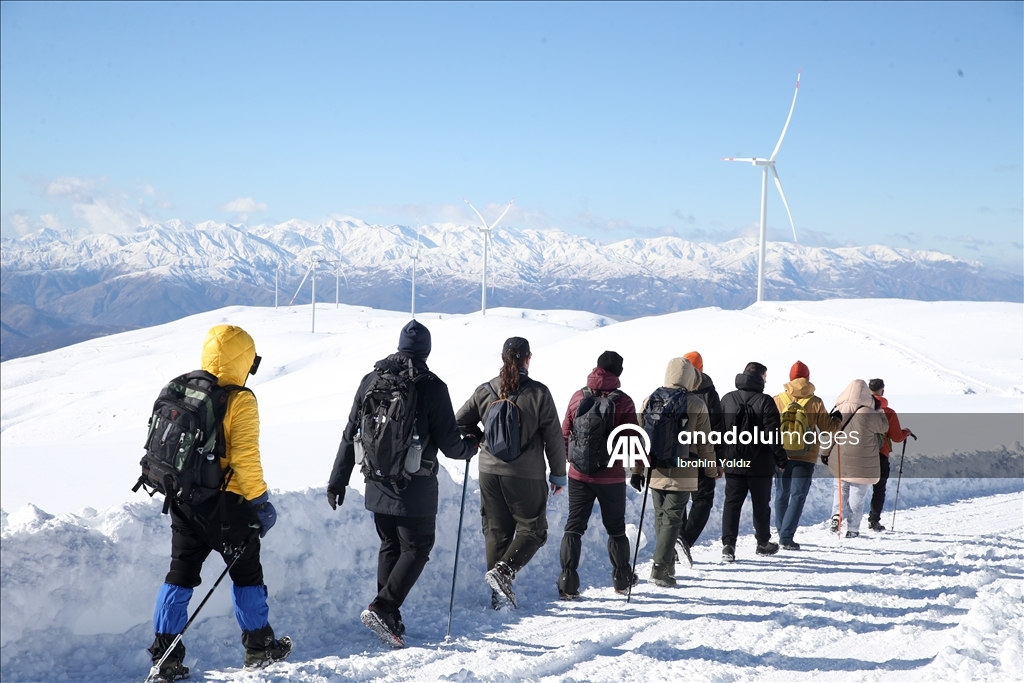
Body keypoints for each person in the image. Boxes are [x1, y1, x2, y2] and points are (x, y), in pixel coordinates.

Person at [148, 325, 290, 682]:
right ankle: (259, 649)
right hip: (229, 507)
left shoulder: (181, 387)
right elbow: (245, 458)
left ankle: (165, 655)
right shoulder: (239, 399)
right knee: (247, 576)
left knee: (180, 574)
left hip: (183, 499)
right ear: (244, 360)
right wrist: (260, 502)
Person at [327, 320, 478, 647]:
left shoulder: (371, 380)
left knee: (391, 545)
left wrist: (337, 480)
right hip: (415, 487)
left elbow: (351, 431)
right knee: (417, 547)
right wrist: (471, 445)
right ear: (426, 351)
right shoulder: (432, 387)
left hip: (377, 481)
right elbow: (452, 446)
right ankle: (383, 607)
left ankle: (388, 615)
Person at [456, 336, 566, 609]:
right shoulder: (538, 393)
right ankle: (504, 572)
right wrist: (558, 474)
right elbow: (553, 436)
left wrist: (479, 438)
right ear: (528, 359)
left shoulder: (485, 390)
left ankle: (498, 597)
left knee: (497, 531)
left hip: (489, 471)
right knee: (534, 530)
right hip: (525, 474)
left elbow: (458, 422)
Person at [556, 351, 640, 599]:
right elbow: (631, 441)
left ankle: (567, 583)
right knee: (615, 528)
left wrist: (571, 462)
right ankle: (622, 581)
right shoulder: (624, 402)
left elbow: (564, 434)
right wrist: (640, 465)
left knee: (574, 526)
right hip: (611, 477)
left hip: (578, 475)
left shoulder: (578, 396)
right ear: (618, 372)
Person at [631, 357, 719, 586]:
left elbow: (639, 439)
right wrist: (711, 471)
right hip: (683, 468)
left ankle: (668, 565)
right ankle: (659, 569)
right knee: (672, 518)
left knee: (661, 517)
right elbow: (705, 443)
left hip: (655, 468)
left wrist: (637, 471)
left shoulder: (650, 399)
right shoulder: (696, 404)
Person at [719, 362, 788, 562]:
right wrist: (781, 458)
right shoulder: (765, 401)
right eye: (765, 376)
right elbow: (772, 434)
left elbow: (719, 431)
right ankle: (763, 543)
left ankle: (728, 546)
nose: (766, 380)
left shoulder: (727, 399)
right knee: (761, 504)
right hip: (760, 464)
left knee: (732, 504)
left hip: (733, 462)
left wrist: (719, 458)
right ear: (759, 377)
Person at [772, 361, 842, 550]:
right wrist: (837, 419)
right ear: (808, 378)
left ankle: (782, 532)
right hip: (806, 455)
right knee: (798, 495)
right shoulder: (815, 401)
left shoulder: (777, 399)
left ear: (790, 378)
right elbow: (828, 429)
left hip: (781, 454)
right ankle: (786, 537)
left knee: (781, 494)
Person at [821, 379, 890, 538]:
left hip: (841, 457)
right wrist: (879, 410)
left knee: (840, 489)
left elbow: (830, 434)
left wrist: (825, 453)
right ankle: (852, 529)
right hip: (862, 462)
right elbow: (884, 427)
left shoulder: (839, 409)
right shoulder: (870, 412)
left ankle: (836, 515)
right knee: (857, 496)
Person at [674, 351, 723, 566]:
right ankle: (684, 540)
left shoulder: (672, 392)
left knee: (679, 499)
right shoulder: (709, 392)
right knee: (703, 499)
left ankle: (677, 541)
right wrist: (717, 460)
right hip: (702, 455)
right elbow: (717, 429)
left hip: (676, 455)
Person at [866, 378, 912, 531]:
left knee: (855, 488)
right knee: (879, 489)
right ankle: (874, 521)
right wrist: (905, 433)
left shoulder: (860, 409)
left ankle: (850, 523)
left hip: (860, 453)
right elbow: (897, 437)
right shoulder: (889, 412)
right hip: (880, 454)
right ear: (883, 390)